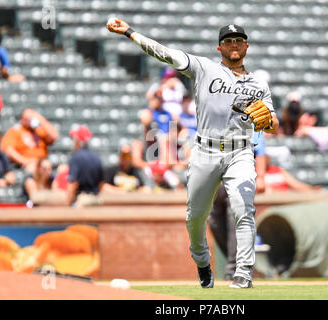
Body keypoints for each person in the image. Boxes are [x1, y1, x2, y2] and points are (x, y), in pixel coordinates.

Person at [107, 21, 279, 288]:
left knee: (244, 208)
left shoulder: (259, 84)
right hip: (205, 151)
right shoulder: (203, 67)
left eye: (238, 40)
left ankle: (243, 273)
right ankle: (202, 262)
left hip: (241, 152)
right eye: (228, 40)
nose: (234, 44)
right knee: (195, 216)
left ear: (246, 46)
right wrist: (130, 33)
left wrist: (268, 120)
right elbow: (162, 52)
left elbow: (273, 124)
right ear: (219, 46)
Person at [208, 131, 267, 281]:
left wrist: (260, 176)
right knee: (213, 221)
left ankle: (233, 270)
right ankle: (239, 261)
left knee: (234, 221)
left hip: (238, 176)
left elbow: (259, 149)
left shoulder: (247, 119)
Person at [0, 108, 59, 173]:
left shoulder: (39, 130)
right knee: (33, 168)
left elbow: (54, 136)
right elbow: (8, 150)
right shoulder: (15, 131)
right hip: (27, 165)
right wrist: (25, 161)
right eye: (27, 118)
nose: (30, 119)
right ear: (22, 119)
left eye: (31, 117)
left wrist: (39, 118)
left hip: (43, 163)